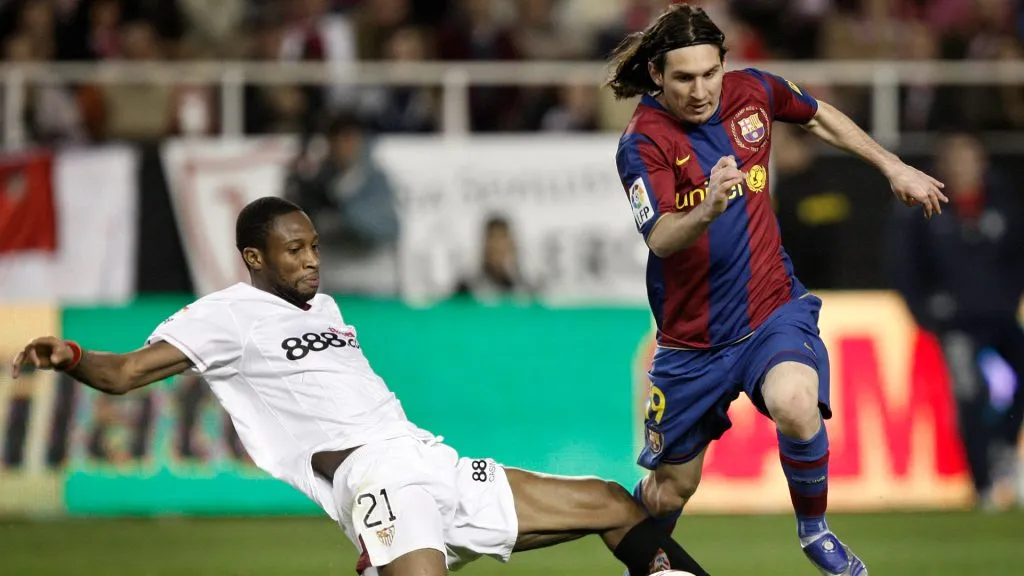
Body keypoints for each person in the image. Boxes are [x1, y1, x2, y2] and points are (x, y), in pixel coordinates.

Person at [10, 197, 709, 576]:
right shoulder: (224, 315)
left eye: (314, 245)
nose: (312, 261)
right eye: (294, 250)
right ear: (254, 258)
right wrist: (71, 353)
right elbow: (127, 372)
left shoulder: (324, 307)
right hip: (373, 475)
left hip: (426, 459)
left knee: (612, 504)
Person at [606, 4, 948, 575]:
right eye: (684, 78)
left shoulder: (754, 93)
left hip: (771, 309)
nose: (700, 90)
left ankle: (814, 532)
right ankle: (639, 564)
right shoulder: (642, 143)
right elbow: (663, 237)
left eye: (710, 73)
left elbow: (817, 116)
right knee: (669, 492)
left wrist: (893, 166)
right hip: (691, 343)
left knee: (795, 403)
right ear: (657, 74)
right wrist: (710, 207)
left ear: (724, 65)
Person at [887, 131, 1024, 511]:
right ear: (944, 167)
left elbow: (1017, 256)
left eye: (971, 159)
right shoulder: (920, 206)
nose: (965, 167)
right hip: (957, 323)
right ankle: (983, 486)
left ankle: (1003, 448)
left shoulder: (1002, 202)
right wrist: (928, 313)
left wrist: (1008, 297)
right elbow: (904, 266)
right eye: (957, 159)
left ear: (982, 164)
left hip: (999, 315)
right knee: (970, 395)